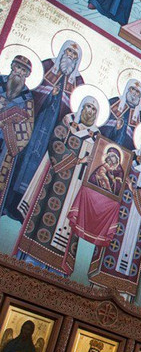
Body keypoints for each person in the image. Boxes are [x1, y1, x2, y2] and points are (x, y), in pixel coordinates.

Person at [15, 88, 105, 276]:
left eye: (94, 109)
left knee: (66, 227)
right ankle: (30, 259)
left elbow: (98, 168)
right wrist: (77, 160)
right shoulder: (67, 122)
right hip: (54, 181)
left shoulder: (97, 138)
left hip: (75, 189)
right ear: (81, 107)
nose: (90, 111)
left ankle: (56, 271)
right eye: (87, 107)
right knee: (42, 219)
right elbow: (55, 143)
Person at [4, 40, 84, 220]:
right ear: (62, 51)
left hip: (52, 137)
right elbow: (30, 94)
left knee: (40, 171)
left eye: (74, 55)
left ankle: (24, 211)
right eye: (68, 52)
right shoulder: (47, 66)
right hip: (31, 127)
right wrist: (49, 95)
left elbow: (74, 114)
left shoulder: (78, 83)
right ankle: (8, 202)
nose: (70, 57)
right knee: (20, 162)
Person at [87, 127, 141, 297]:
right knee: (111, 244)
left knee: (131, 254)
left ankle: (124, 293)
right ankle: (98, 286)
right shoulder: (131, 159)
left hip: (139, 222)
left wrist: (134, 190)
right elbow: (116, 175)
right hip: (120, 212)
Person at [0, 54, 36, 213]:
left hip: (5, 146)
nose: (19, 72)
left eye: (23, 71)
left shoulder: (27, 98)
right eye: (18, 67)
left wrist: (8, 125)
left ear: (27, 75)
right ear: (12, 67)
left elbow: (27, 127)